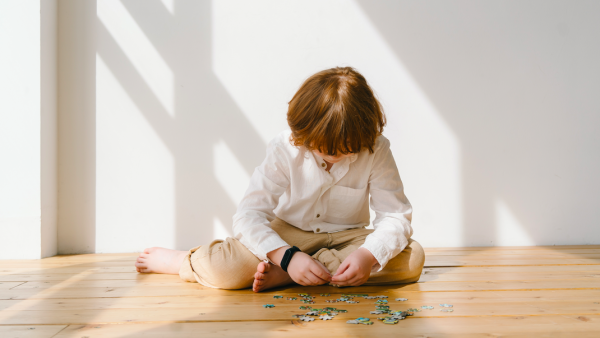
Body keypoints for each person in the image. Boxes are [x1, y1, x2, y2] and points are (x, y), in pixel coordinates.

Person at [135, 66, 425, 292]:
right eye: (324, 148)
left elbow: (396, 217)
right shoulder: (284, 148)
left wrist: (366, 256)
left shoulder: (376, 147)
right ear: (305, 132)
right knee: (226, 268)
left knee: (412, 259)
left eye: (347, 149)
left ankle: (292, 275)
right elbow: (249, 216)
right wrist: (286, 255)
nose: (335, 155)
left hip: (348, 236)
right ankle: (181, 261)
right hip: (289, 233)